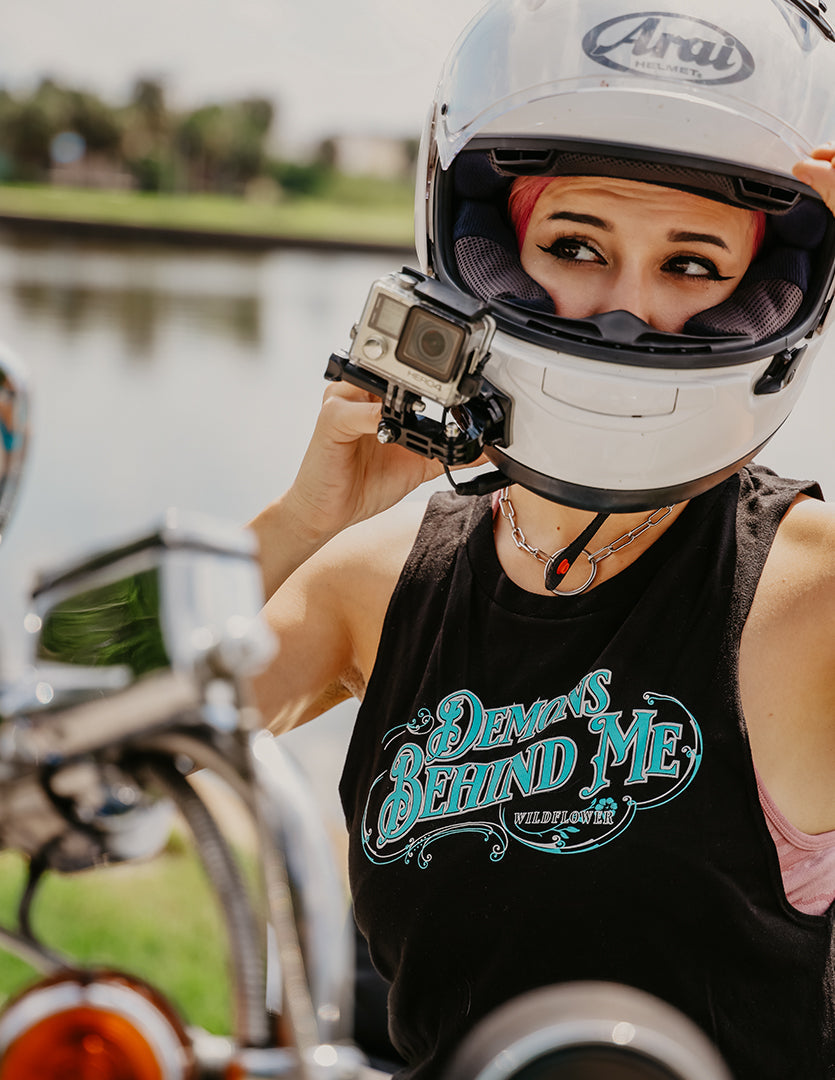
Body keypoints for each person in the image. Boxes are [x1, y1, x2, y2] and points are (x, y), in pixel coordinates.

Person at [249, 1, 835, 1077]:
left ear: (771, 294)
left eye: (694, 264)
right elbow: (79, 705)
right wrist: (308, 516)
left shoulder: (808, 593)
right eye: (572, 245)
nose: (624, 310)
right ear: (485, 252)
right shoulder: (378, 577)